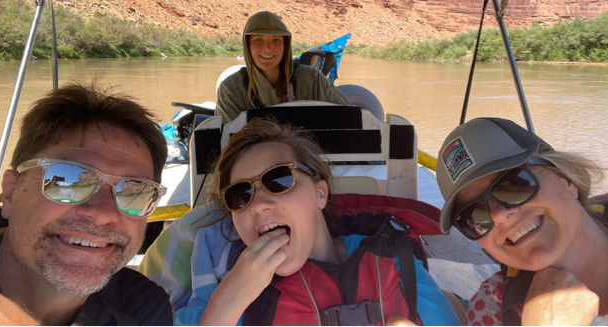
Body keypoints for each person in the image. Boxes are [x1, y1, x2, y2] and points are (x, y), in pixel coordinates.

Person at [161, 118, 459, 325]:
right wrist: (227, 302)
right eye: (241, 195)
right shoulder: (227, 278)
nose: (259, 205)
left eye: (278, 179)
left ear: (320, 192)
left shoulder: (394, 255)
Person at [0, 83, 173, 325]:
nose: (104, 213)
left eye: (134, 191)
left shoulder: (140, 307)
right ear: (11, 194)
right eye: (68, 179)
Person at [435, 117, 608, 326]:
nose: (498, 216)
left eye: (513, 185)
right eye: (473, 215)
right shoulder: (491, 309)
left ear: (566, 179)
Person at [215, 11, 350, 123]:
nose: (267, 47)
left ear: (285, 45)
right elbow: (228, 145)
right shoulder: (231, 88)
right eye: (258, 40)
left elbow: (349, 119)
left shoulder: (311, 80)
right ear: (247, 46)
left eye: (276, 40)